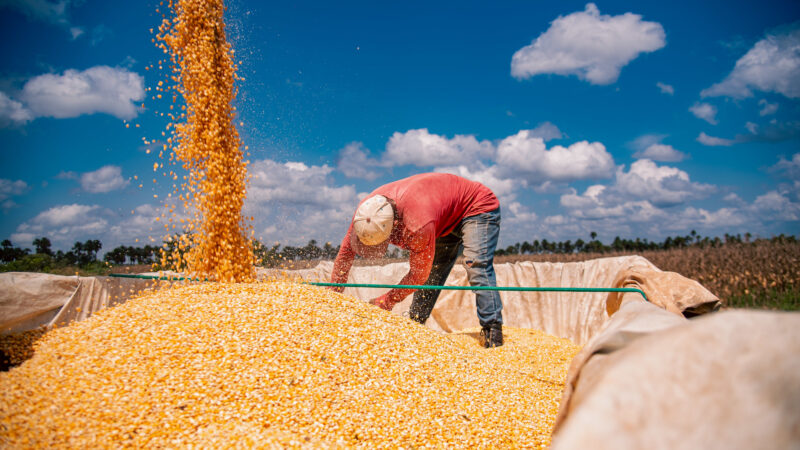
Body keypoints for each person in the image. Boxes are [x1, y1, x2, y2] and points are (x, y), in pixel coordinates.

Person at [330, 172, 504, 347]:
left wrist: (386, 301)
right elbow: (345, 254)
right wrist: (334, 295)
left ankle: (492, 331)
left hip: (476, 207)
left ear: (394, 228)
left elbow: (419, 276)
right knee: (434, 271)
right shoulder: (366, 213)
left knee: (475, 264)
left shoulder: (417, 225)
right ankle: (416, 324)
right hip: (441, 215)